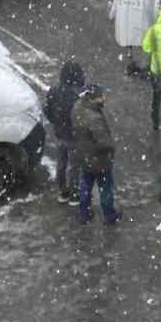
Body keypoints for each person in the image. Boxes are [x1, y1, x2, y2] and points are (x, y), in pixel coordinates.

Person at [71, 84, 119, 225]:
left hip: (84, 156)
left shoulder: (77, 107)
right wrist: (111, 149)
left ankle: (84, 214)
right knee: (105, 189)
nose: (104, 98)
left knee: (85, 184)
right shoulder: (94, 118)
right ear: (93, 99)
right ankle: (109, 215)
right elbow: (105, 143)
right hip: (99, 160)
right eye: (101, 96)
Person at [41, 60, 86, 204]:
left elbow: (47, 110)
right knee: (75, 166)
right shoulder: (78, 96)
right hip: (74, 136)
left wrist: (56, 123)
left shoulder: (54, 91)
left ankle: (62, 191)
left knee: (61, 162)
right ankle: (74, 194)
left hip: (60, 133)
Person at [109, 0, 153, 77]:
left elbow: (114, 7)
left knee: (127, 41)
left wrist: (111, 17)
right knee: (141, 42)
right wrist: (153, 22)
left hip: (123, 24)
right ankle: (142, 66)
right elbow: (148, 10)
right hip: (138, 24)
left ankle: (130, 61)